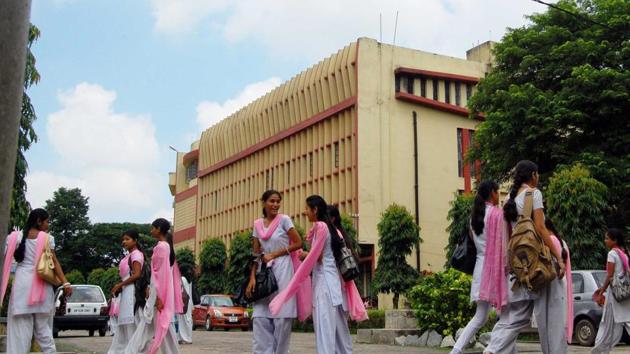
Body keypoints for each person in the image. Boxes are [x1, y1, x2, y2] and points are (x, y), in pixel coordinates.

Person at [484, 160, 567, 354]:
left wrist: (509, 265)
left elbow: (507, 237)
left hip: (519, 266)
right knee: (551, 315)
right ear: (533, 175)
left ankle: (491, 350)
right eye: (537, 175)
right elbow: (540, 228)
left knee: (518, 316)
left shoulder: (508, 201)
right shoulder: (533, 194)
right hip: (539, 265)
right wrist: (559, 258)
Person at [269, 195, 368, 354]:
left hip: (325, 287)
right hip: (333, 286)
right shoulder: (333, 229)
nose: (305, 212)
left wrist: (304, 258)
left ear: (315, 210)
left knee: (325, 331)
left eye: (307, 208)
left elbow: (318, 256)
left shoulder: (321, 227)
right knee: (339, 334)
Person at [0, 208, 73, 354]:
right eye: (47, 221)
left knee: (19, 330)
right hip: (41, 284)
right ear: (39, 221)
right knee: (43, 329)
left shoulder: (15, 237)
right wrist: (65, 282)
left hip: (22, 285)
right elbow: (54, 262)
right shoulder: (47, 238)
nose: (48, 224)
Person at [451, 181, 506, 354]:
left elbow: (476, 245)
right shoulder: (498, 215)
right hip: (495, 269)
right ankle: (492, 349)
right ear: (492, 193)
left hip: (480, 268)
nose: (499, 196)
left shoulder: (474, 218)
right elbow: (504, 242)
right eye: (498, 192)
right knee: (507, 315)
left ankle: (456, 349)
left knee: (480, 317)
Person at [246, 190, 303, 354]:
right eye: (272, 201)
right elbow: (256, 254)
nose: (275, 204)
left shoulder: (284, 220)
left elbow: (298, 243)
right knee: (260, 317)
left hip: (283, 268)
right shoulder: (257, 224)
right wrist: (252, 278)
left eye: (278, 201)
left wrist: (275, 254)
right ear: (263, 202)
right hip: (264, 273)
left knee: (282, 318)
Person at [126, 218, 184, 354]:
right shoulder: (166, 246)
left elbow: (159, 275)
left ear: (159, 229)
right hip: (159, 292)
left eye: (153, 228)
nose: (151, 230)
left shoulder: (161, 247)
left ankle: (132, 351)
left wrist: (156, 296)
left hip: (158, 293)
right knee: (160, 326)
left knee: (152, 325)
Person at [327, 204, 367, 354]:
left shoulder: (335, 234)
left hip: (338, 284)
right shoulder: (337, 233)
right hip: (339, 284)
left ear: (332, 218)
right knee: (338, 326)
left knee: (340, 326)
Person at [591, 228, 630, 353]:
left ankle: (599, 349)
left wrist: (602, 291)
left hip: (615, 295)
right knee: (625, 321)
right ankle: (601, 349)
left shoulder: (612, 254)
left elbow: (609, 275)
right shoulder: (623, 253)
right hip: (624, 293)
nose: (605, 240)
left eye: (607, 238)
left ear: (615, 240)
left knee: (606, 323)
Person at [107, 229, 145, 354]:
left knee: (131, 323)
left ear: (135, 240)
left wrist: (120, 285)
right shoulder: (128, 256)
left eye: (127, 239)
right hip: (126, 291)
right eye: (123, 239)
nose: (124, 242)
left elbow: (137, 274)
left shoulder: (136, 254)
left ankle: (133, 350)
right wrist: (120, 286)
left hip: (132, 292)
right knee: (124, 325)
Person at [544, 218, 573, 345]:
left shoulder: (550, 241)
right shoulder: (562, 242)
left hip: (555, 282)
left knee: (553, 321)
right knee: (560, 320)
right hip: (562, 283)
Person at [176, 271, 193, 345]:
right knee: (187, 320)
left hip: (183, 302)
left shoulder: (182, 279)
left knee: (182, 320)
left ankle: (183, 338)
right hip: (188, 302)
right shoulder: (189, 280)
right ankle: (187, 338)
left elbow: (180, 290)